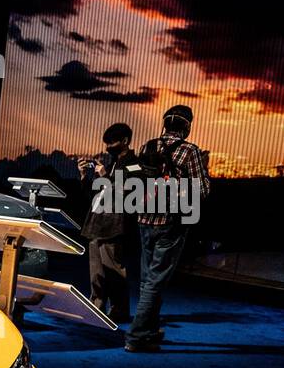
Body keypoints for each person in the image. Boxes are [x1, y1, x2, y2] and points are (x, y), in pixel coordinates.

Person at [125, 104, 210, 352]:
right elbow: (201, 191)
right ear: (187, 126)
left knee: (147, 278)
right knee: (156, 280)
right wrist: (205, 170)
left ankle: (149, 330)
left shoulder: (148, 146)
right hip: (171, 223)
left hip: (144, 219)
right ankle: (136, 336)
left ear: (165, 123)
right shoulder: (189, 151)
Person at [77, 122, 136, 323]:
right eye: (106, 143)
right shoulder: (110, 164)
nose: (108, 147)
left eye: (112, 142)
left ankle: (119, 311)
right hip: (96, 224)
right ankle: (97, 306)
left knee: (114, 272)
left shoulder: (134, 164)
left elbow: (126, 193)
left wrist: (104, 177)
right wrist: (85, 176)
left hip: (115, 226)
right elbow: (94, 193)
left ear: (125, 141)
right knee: (96, 273)